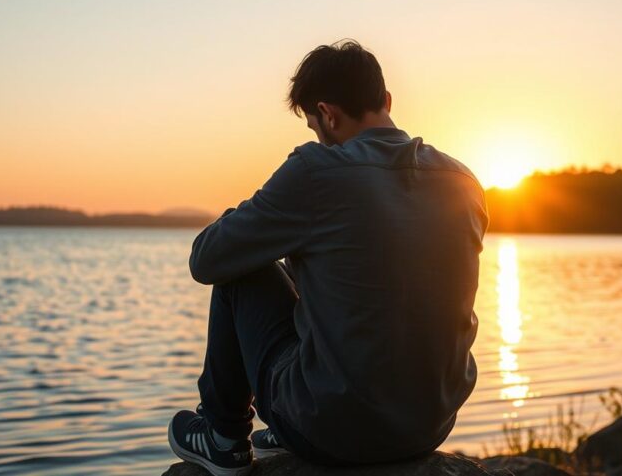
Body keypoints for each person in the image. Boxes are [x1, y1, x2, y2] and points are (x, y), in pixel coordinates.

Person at [167, 39, 489, 476]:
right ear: (387, 101)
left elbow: (207, 259)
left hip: (335, 432)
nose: (319, 136)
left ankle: (223, 436)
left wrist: (246, 219)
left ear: (328, 114)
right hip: (429, 426)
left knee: (242, 268)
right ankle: (291, 424)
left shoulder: (318, 170)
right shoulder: (463, 181)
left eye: (315, 124)